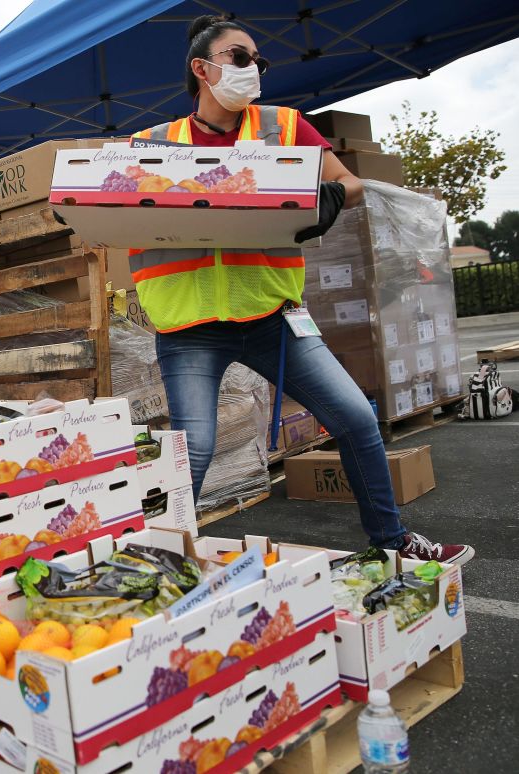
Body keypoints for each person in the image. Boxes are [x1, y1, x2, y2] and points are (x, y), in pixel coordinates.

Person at [128, 15, 473, 565]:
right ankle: (154, 564)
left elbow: (349, 184)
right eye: (240, 58)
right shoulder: (151, 144)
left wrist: (323, 204)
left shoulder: (282, 126)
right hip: (190, 327)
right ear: (202, 68)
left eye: (257, 62)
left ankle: (392, 542)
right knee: (193, 449)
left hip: (272, 317)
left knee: (357, 419)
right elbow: (110, 203)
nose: (253, 70)